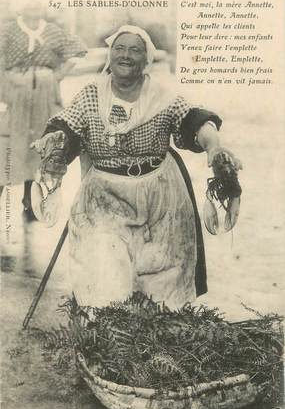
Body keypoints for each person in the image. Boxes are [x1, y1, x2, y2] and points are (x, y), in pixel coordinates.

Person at [32, 25, 242, 310]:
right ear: (109, 56)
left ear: (146, 60)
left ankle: (155, 338)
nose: (125, 55)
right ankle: (107, 334)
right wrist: (56, 142)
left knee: (162, 279)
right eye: (119, 48)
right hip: (104, 198)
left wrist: (214, 147)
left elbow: (194, 120)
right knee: (104, 274)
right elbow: (66, 127)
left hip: (161, 197)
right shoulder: (91, 95)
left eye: (135, 50)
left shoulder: (163, 97)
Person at [0, 0, 87, 219]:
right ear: (21, 6)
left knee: (39, 142)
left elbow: (78, 51)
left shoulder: (52, 31)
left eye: (37, 3)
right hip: (16, 90)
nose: (33, 8)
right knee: (8, 143)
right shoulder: (8, 30)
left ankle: (30, 200)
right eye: (29, 2)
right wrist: (4, 84)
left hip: (45, 93)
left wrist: (58, 75)